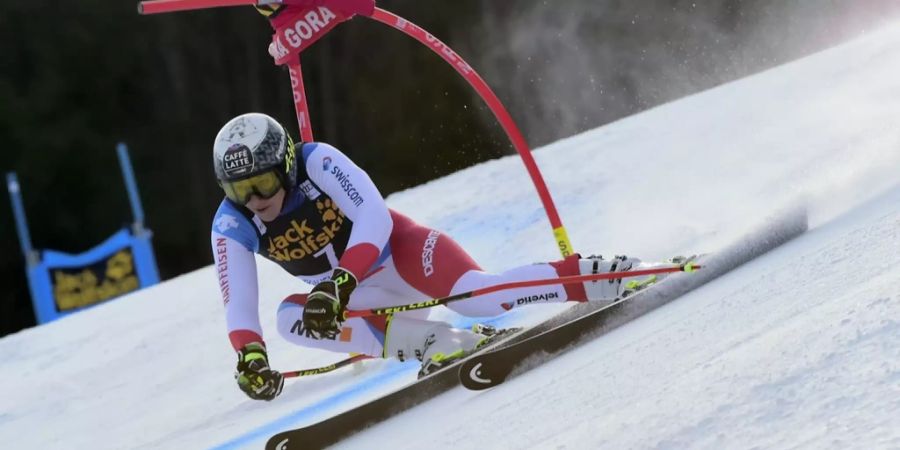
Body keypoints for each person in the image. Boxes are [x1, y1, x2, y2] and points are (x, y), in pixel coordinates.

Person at [211, 113, 668, 401]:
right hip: (356, 296)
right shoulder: (232, 223)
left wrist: (342, 282)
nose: (253, 200)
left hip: (400, 254)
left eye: (262, 184)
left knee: (480, 297)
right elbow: (239, 301)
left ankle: (609, 275)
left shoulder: (317, 162)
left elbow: (373, 216)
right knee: (289, 319)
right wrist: (251, 357)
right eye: (238, 190)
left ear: (286, 164)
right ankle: (438, 343)